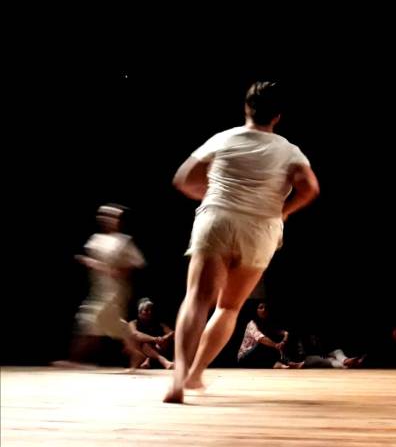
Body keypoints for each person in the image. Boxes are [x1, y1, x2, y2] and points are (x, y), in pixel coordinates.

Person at [164, 81, 320, 403]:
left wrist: (209, 195)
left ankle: (178, 380)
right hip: (260, 229)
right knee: (229, 307)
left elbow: (184, 178)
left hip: (217, 219)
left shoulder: (224, 138)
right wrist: (284, 211)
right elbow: (310, 188)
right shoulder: (289, 150)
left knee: (197, 299)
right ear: (277, 116)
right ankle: (195, 374)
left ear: (246, 108)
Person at [59, 204, 159, 367]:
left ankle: (78, 360)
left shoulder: (123, 241)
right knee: (107, 324)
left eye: (111, 217)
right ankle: (135, 353)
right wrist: (91, 263)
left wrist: (112, 269)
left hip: (115, 290)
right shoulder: (96, 239)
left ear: (117, 220)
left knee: (92, 318)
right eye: (104, 216)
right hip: (99, 289)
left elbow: (137, 263)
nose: (107, 220)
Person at [128, 297, 175, 369]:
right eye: (146, 310)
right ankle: (162, 360)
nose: (149, 312)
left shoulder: (158, 324)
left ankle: (149, 360)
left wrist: (164, 338)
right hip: (139, 352)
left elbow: (172, 332)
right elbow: (135, 334)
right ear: (139, 312)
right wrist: (154, 339)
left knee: (163, 343)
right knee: (145, 344)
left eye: (151, 310)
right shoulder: (133, 323)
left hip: (155, 350)